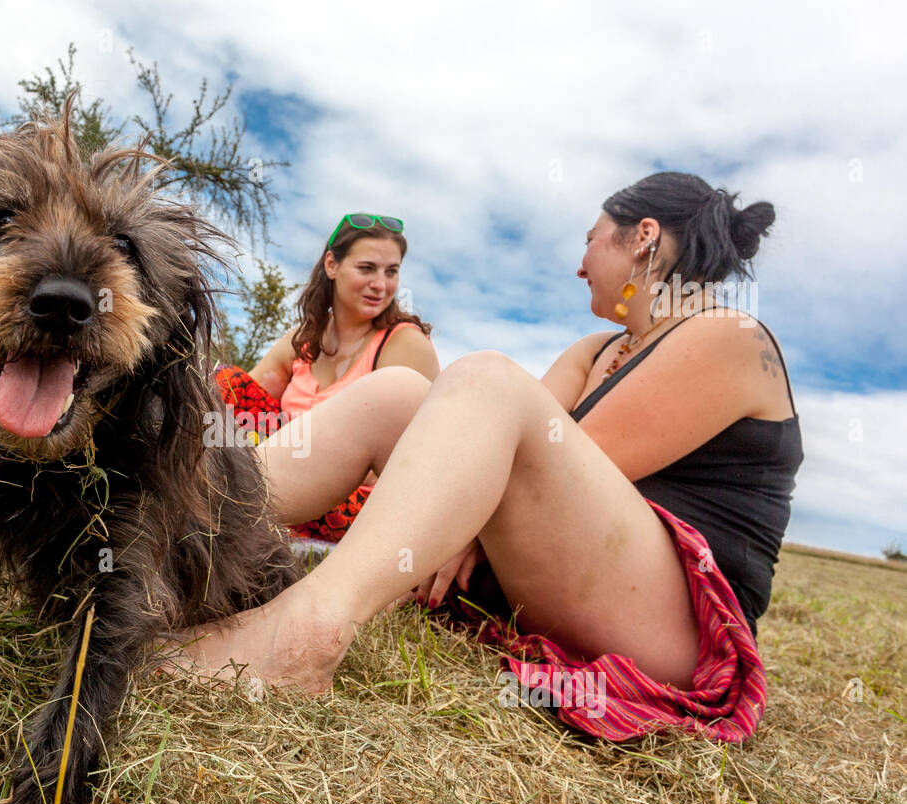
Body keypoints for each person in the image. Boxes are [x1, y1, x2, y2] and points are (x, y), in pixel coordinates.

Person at [173, 172, 803, 744]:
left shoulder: (731, 337)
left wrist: (462, 512)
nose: (581, 265)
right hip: (571, 580)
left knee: (488, 379)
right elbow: (500, 449)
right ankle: (178, 529)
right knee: (398, 395)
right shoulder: (596, 349)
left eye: (592, 239)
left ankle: (306, 637)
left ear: (642, 236)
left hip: (676, 626)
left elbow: (563, 450)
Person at [213, 213, 439, 542]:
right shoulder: (303, 339)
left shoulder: (404, 342)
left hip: (355, 506)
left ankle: (246, 510)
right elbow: (240, 402)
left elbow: (416, 464)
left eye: (391, 271)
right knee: (225, 383)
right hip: (279, 480)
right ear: (332, 265)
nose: (381, 284)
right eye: (367, 268)